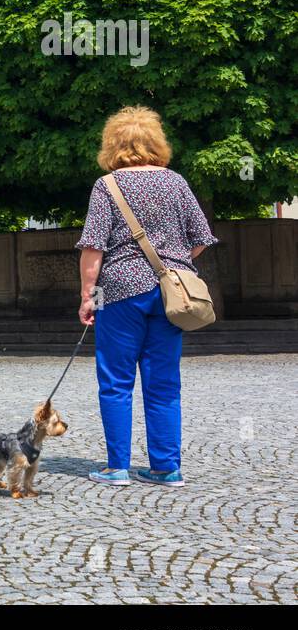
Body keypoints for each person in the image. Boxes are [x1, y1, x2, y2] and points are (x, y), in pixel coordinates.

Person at [77, 106, 217, 489]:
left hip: (119, 292)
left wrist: (88, 296)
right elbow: (202, 237)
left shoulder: (106, 186)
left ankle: (117, 467)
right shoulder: (176, 182)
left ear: (112, 145)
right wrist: (174, 265)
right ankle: (166, 468)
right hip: (170, 295)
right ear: (157, 142)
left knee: (116, 381)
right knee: (164, 383)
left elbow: (93, 248)